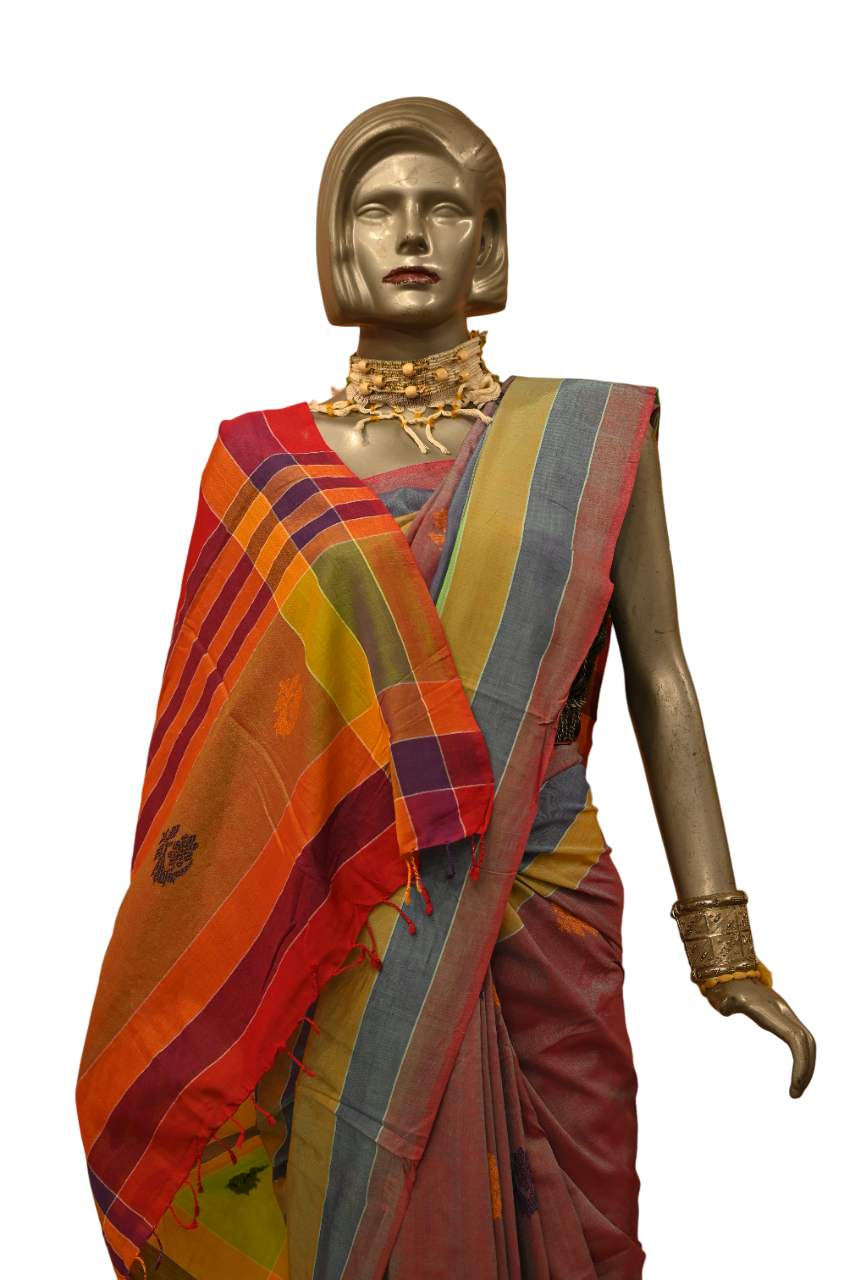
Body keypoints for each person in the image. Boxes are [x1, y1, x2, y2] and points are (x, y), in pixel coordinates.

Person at [78, 98, 815, 1280]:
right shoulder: (262, 466)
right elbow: (227, 752)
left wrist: (721, 944)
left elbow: (661, 673)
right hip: (342, 920)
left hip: (542, 894)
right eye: (378, 208)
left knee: (580, 1217)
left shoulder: (588, 437)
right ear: (337, 242)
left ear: (490, 241)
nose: (411, 231)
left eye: (444, 209)